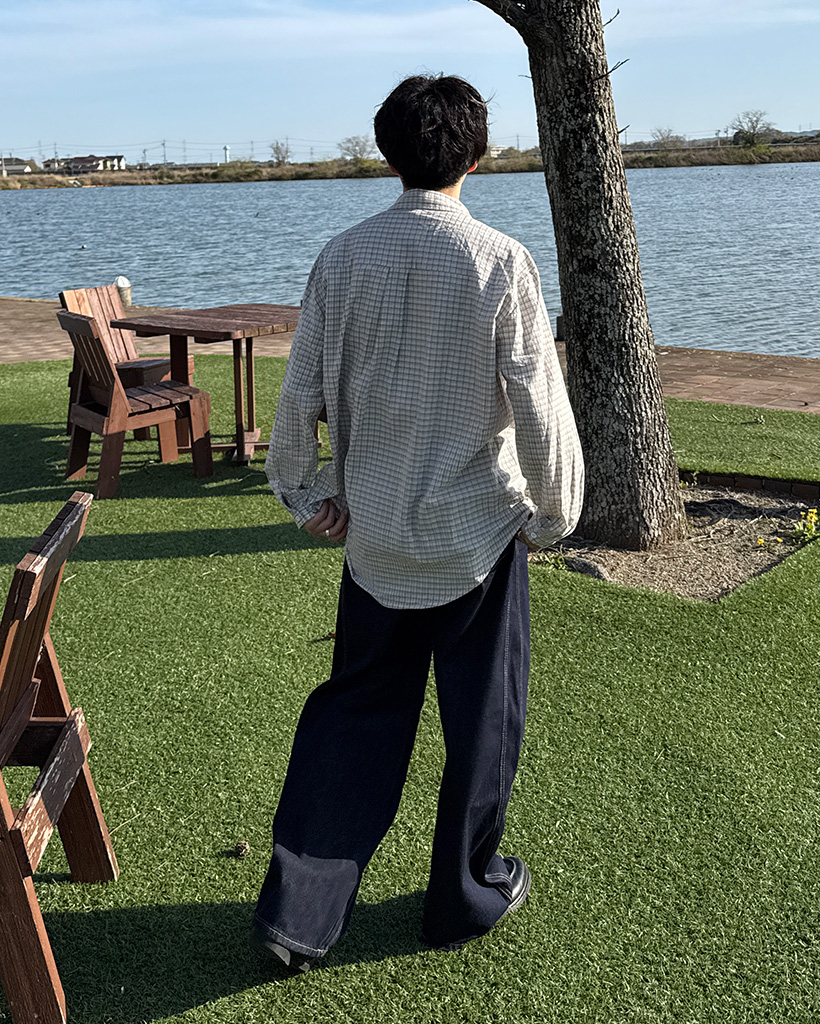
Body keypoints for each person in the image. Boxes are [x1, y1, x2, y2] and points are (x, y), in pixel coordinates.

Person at [254, 74, 584, 971]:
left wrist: (302, 493)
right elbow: (541, 405)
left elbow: (300, 391)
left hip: (375, 539)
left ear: (388, 152)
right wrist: (554, 515)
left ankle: (300, 913)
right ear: (477, 154)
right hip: (477, 538)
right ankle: (462, 896)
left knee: (354, 719)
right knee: (483, 727)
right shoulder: (501, 261)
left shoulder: (341, 256)